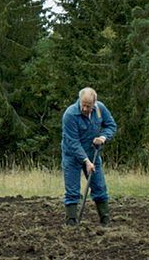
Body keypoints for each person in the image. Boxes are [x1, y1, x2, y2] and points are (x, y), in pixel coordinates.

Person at [61, 87, 116, 225]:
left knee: (99, 187)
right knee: (72, 190)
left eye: (88, 106)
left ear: (94, 103)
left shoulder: (100, 109)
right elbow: (73, 142)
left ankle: (105, 220)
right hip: (72, 156)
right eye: (83, 105)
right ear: (79, 101)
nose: (85, 108)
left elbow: (111, 125)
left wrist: (103, 137)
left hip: (93, 154)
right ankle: (71, 222)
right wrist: (85, 161)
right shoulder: (70, 115)